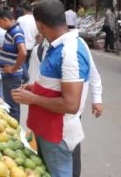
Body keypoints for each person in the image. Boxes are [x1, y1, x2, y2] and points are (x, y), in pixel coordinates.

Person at [12, 0, 91, 177]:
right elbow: (57, 84)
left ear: (40, 25)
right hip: (46, 131)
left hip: (58, 135)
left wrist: (33, 99)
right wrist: (35, 88)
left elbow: (71, 104)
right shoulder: (56, 46)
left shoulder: (70, 52)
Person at [28, 36, 103, 177]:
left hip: (66, 112)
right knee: (47, 158)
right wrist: (31, 92)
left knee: (69, 148)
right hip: (45, 112)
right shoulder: (37, 51)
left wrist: (97, 98)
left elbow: (92, 72)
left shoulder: (74, 47)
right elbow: (34, 77)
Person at [0, 8, 27, 122]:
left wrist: (13, 69)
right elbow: (15, 49)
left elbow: (23, 52)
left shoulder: (16, 31)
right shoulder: (10, 31)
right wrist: (2, 48)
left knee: (13, 106)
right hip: (8, 76)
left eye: (0, 23)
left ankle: (16, 132)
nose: (0, 26)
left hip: (12, 76)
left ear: (5, 19)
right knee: (10, 103)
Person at [17, 2, 39, 83]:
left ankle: (26, 77)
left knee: (22, 63)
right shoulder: (36, 20)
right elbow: (38, 34)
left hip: (21, 46)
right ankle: (26, 78)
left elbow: (16, 32)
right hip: (32, 46)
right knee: (28, 63)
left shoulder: (20, 19)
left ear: (24, 10)